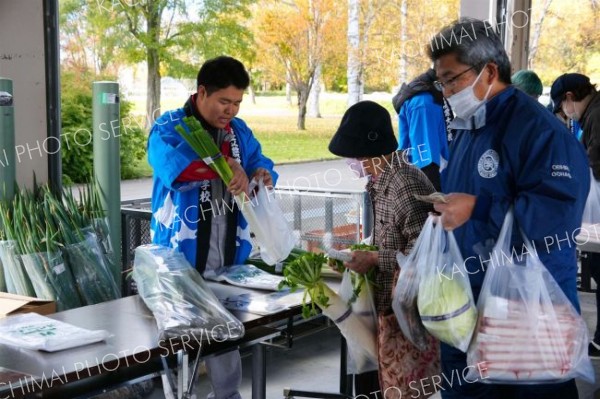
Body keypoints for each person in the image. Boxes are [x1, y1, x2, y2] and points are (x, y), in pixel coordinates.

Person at [427, 18, 590, 398]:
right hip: (469, 299)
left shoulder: (540, 131)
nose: (447, 92)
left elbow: (559, 215)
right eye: (441, 83)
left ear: (489, 71)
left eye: (452, 80)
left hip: (527, 304)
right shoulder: (469, 125)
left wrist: (479, 209)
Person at [147, 56, 277, 399]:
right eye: (224, 101)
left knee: (227, 334)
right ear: (202, 92)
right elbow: (177, 170)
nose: (230, 110)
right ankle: (177, 394)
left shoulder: (239, 132)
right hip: (179, 259)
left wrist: (262, 174)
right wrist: (225, 165)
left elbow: (259, 164)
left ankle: (227, 395)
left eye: (236, 102)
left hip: (227, 257)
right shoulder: (168, 127)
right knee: (178, 337)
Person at [328, 101, 440, 399]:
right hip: (381, 307)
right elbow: (389, 239)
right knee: (369, 382)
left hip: (402, 313)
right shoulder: (379, 181)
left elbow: (424, 254)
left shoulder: (404, 183)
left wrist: (375, 258)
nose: (354, 161)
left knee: (394, 388)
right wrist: (358, 255)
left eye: (358, 155)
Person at [551, 73, 600, 358]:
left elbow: (595, 165)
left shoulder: (596, 116)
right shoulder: (593, 113)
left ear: (570, 98)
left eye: (562, 106)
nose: (565, 113)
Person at [392, 69, 452, 191]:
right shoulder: (423, 103)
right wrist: (433, 194)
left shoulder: (431, 94)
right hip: (428, 176)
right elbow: (425, 157)